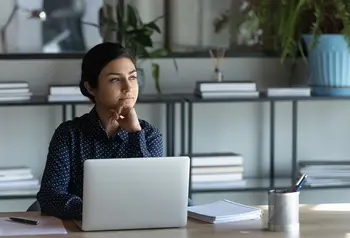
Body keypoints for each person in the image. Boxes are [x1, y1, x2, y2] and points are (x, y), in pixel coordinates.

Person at [36, 42, 165, 219]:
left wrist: (135, 132)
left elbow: (156, 193)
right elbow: (50, 197)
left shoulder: (149, 135)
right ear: (90, 87)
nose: (128, 87)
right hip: (82, 230)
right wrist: (94, 210)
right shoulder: (69, 135)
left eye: (132, 77)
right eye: (115, 79)